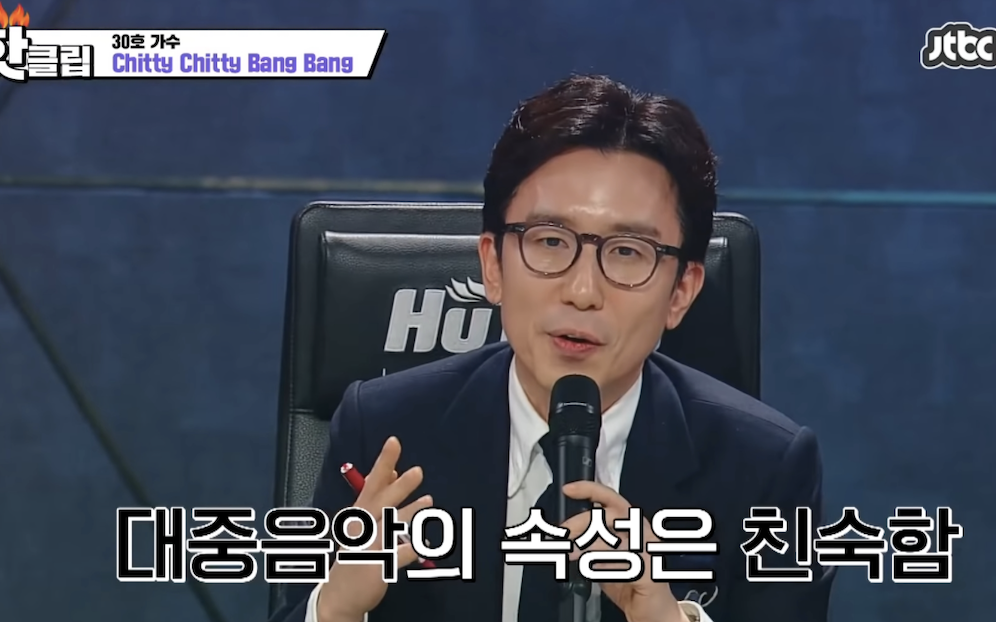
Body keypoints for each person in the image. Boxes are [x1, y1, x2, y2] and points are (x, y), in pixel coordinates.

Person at [269, 74, 834, 622]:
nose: (582, 292)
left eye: (628, 252)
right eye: (549, 241)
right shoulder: (384, 432)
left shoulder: (766, 471)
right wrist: (337, 609)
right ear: (493, 266)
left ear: (681, 292)